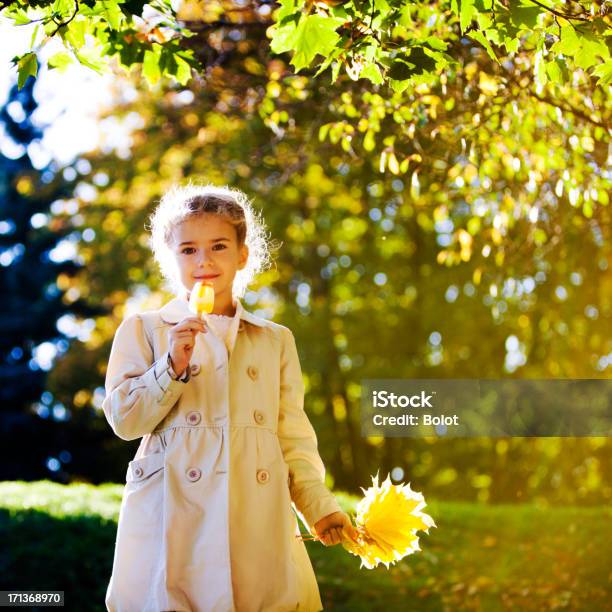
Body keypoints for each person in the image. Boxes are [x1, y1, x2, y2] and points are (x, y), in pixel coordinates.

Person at [102, 183, 359, 612]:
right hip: (173, 513)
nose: (203, 261)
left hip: (256, 514)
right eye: (187, 250)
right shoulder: (144, 329)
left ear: (242, 254)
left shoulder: (274, 340)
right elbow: (125, 421)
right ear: (171, 259)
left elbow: (292, 438)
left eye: (218, 246)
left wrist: (320, 507)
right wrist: (171, 367)